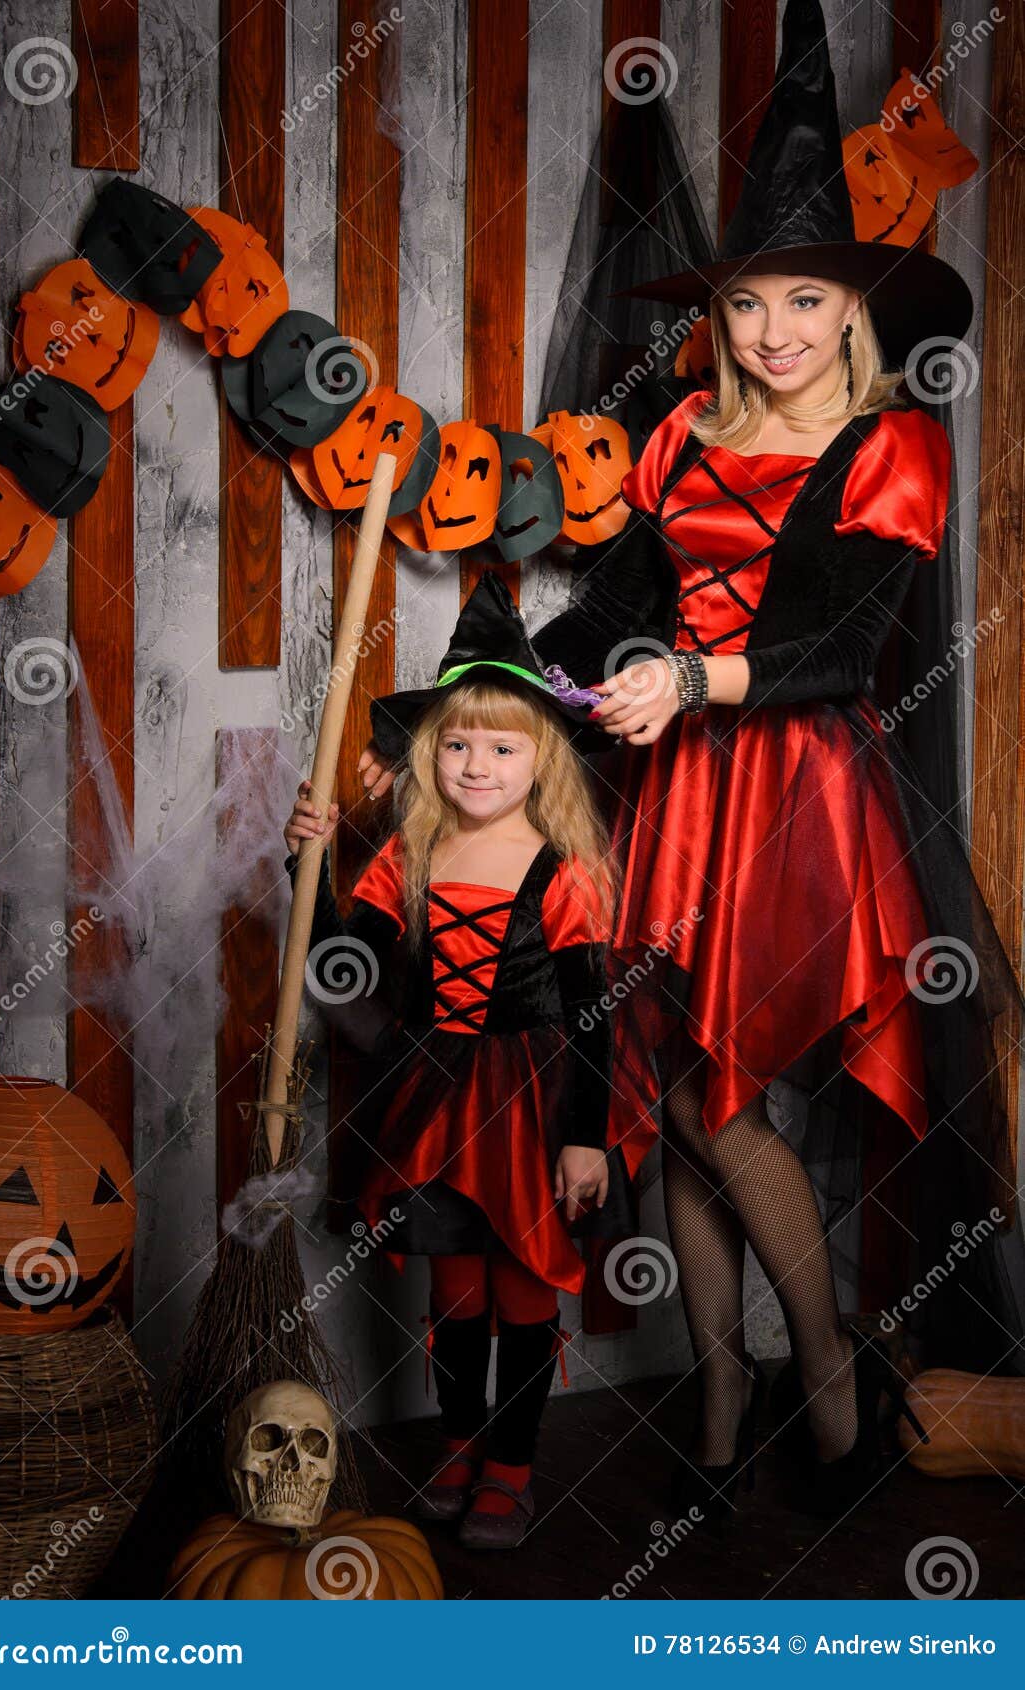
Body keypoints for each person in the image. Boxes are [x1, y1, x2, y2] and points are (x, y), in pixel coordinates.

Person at [360, 0, 1025, 1529]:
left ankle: (827, 1381)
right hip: (672, 794)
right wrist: (496, 685)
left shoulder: (887, 446)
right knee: (663, 1083)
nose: (771, 332)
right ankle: (723, 1393)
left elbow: (849, 646)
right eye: (745, 303)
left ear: (849, 313)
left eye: (800, 301)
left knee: (726, 1103)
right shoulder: (670, 435)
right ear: (714, 316)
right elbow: (613, 608)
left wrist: (691, 674)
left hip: (795, 800)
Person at [285, 572, 657, 1550]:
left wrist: (585, 1143)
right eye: (456, 743)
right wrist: (312, 866)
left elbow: (591, 1016)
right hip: (436, 1101)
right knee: (453, 1290)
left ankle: (511, 1468)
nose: (477, 763)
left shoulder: (561, 869)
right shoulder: (407, 856)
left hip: (537, 1104)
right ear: (428, 752)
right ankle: (456, 1446)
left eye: (502, 745)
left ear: (543, 760)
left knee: (523, 1287)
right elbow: (338, 965)